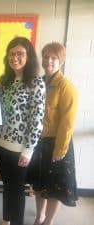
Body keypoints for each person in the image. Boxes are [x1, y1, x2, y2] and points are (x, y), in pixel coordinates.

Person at [0, 37, 46, 225]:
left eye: (20, 54)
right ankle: (6, 221)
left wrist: (29, 150)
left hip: (19, 149)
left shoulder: (36, 82)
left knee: (17, 191)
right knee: (7, 187)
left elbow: (37, 120)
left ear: (29, 56)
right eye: (11, 54)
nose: (15, 57)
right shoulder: (4, 80)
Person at [27, 42, 78, 225]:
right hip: (38, 143)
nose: (49, 61)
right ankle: (40, 216)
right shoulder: (39, 82)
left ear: (61, 61)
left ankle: (48, 221)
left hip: (57, 145)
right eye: (46, 57)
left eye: (54, 58)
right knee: (39, 184)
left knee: (54, 188)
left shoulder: (66, 87)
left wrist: (60, 150)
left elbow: (67, 123)